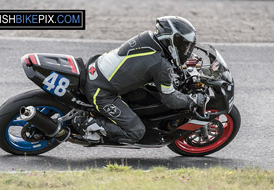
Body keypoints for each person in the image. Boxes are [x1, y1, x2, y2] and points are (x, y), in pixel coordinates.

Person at [73, 16, 205, 144]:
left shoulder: (148, 38)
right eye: (183, 46)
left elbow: (148, 65)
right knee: (136, 132)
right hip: (101, 91)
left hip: (96, 69)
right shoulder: (160, 66)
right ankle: (86, 124)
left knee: (147, 100)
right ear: (171, 41)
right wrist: (192, 101)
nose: (186, 51)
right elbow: (170, 99)